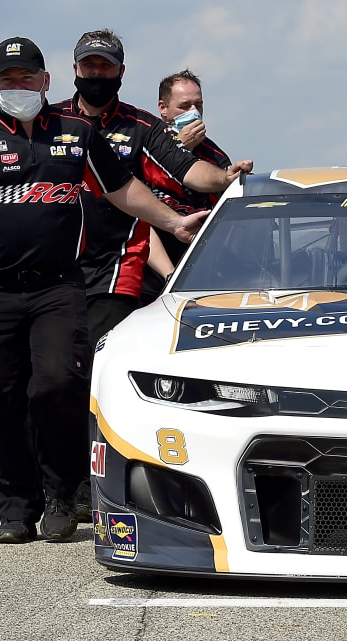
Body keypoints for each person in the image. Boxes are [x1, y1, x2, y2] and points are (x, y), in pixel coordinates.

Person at [0, 37, 210, 544]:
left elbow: (123, 188)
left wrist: (172, 221)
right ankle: (15, 508)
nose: (18, 86)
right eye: (8, 79)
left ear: (45, 81)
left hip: (59, 287)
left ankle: (62, 496)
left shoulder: (76, 134)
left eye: (26, 78)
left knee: (58, 387)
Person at [54, 29, 253, 520]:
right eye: (89, 66)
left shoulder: (142, 128)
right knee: (52, 381)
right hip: (53, 270)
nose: (97, 74)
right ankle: (55, 481)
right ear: (75, 69)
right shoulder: (51, 121)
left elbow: (191, 172)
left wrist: (225, 177)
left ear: (120, 71)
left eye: (106, 66)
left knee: (94, 378)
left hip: (118, 269)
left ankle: (86, 484)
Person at [140, 69, 233, 304]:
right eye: (184, 106)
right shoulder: (145, 143)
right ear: (163, 108)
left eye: (198, 105)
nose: (193, 112)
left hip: (198, 267)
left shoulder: (215, 156)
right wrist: (179, 149)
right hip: (146, 266)